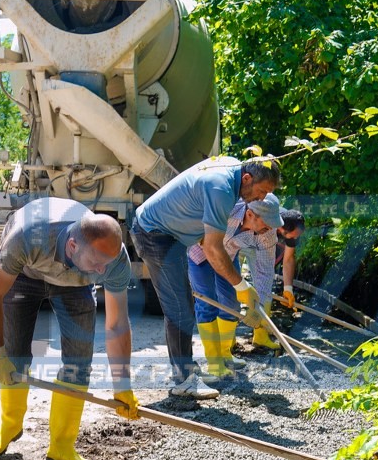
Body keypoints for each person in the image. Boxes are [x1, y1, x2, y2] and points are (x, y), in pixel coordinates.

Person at [0, 198, 139, 460]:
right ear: (73, 245)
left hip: (74, 285)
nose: (103, 271)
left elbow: (117, 324)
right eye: (97, 263)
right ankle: (9, 425)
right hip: (24, 275)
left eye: (106, 264)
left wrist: (122, 385)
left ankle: (62, 447)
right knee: (15, 354)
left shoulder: (113, 260)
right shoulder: (26, 237)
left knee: (79, 361)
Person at [130, 156, 281, 398]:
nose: (261, 199)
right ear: (247, 178)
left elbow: (208, 235)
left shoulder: (230, 175)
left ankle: (187, 370)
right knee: (179, 309)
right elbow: (212, 249)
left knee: (184, 306)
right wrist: (241, 286)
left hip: (173, 236)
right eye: (262, 191)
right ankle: (184, 382)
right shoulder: (221, 188)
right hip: (155, 233)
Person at [188, 195, 283, 379]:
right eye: (267, 222)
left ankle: (225, 354)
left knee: (232, 305)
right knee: (207, 303)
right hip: (200, 254)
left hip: (227, 258)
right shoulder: (227, 210)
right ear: (250, 214)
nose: (270, 227)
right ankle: (215, 363)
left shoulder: (268, 233)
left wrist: (259, 308)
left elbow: (264, 272)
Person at [273, 208, 306, 310]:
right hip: (245, 237)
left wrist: (288, 288)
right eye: (294, 236)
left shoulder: (294, 230)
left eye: (298, 236)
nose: (296, 238)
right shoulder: (268, 221)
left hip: (266, 246)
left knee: (263, 287)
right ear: (281, 229)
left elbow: (288, 258)